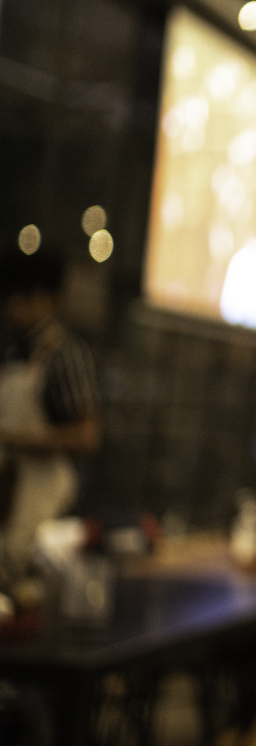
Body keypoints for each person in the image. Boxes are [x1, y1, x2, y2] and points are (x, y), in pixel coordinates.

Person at [0, 247, 101, 578]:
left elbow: (86, 437)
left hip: (53, 514)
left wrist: (14, 438)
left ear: (49, 299)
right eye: (11, 297)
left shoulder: (66, 356)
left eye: (24, 296)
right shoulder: (14, 352)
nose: (13, 307)